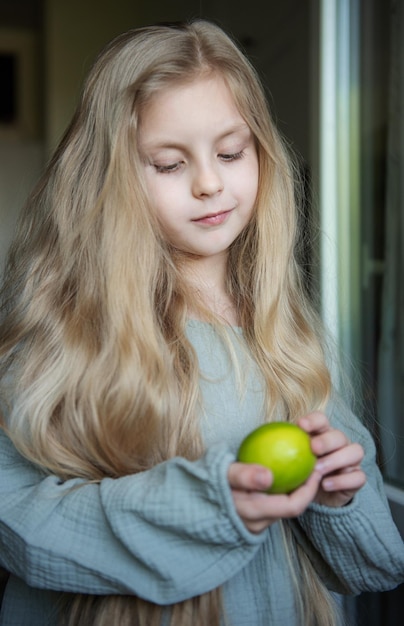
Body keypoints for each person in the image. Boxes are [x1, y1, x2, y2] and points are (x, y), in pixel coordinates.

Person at [0, 19, 403, 626]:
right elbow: (19, 526)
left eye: (231, 152)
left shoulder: (286, 332)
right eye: (168, 164)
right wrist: (211, 505)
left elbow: (374, 566)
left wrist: (341, 499)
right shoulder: (63, 330)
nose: (210, 182)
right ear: (107, 179)